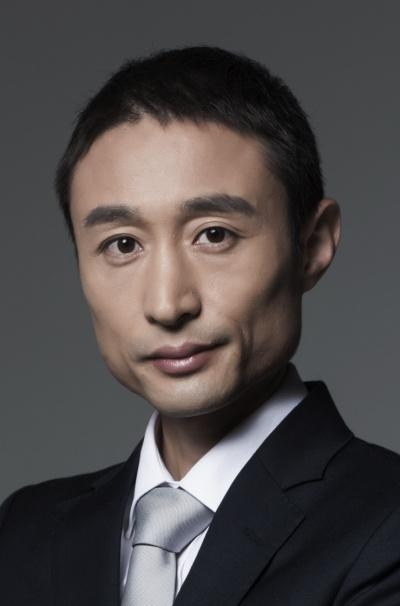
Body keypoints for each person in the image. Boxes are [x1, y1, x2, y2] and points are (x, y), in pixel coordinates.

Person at [1, 45, 399, 606]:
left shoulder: (385, 526)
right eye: (122, 245)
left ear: (312, 245)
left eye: (214, 235)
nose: (168, 304)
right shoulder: (23, 534)